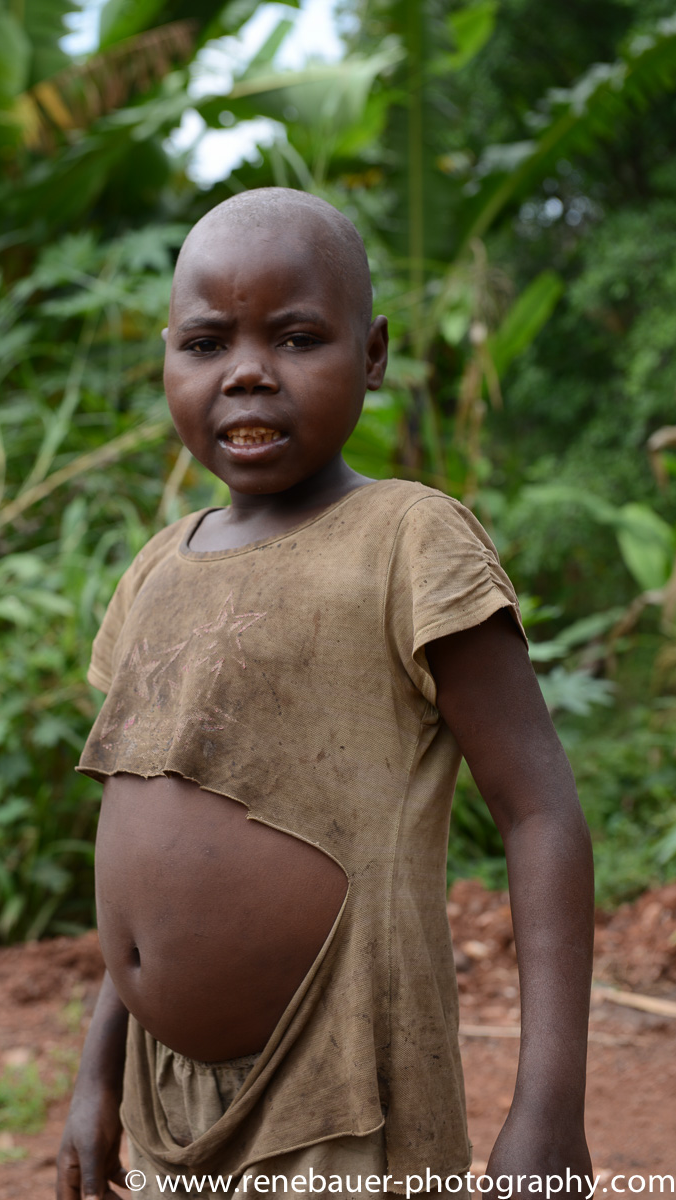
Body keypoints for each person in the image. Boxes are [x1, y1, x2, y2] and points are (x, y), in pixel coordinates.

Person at [56, 188, 594, 1200]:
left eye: (298, 338)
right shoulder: (155, 569)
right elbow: (144, 858)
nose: (247, 372)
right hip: (164, 1107)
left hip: (344, 1105)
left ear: (373, 353)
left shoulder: (408, 541)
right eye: (206, 344)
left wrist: (549, 1107)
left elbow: (540, 813)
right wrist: (95, 1080)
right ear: (168, 360)